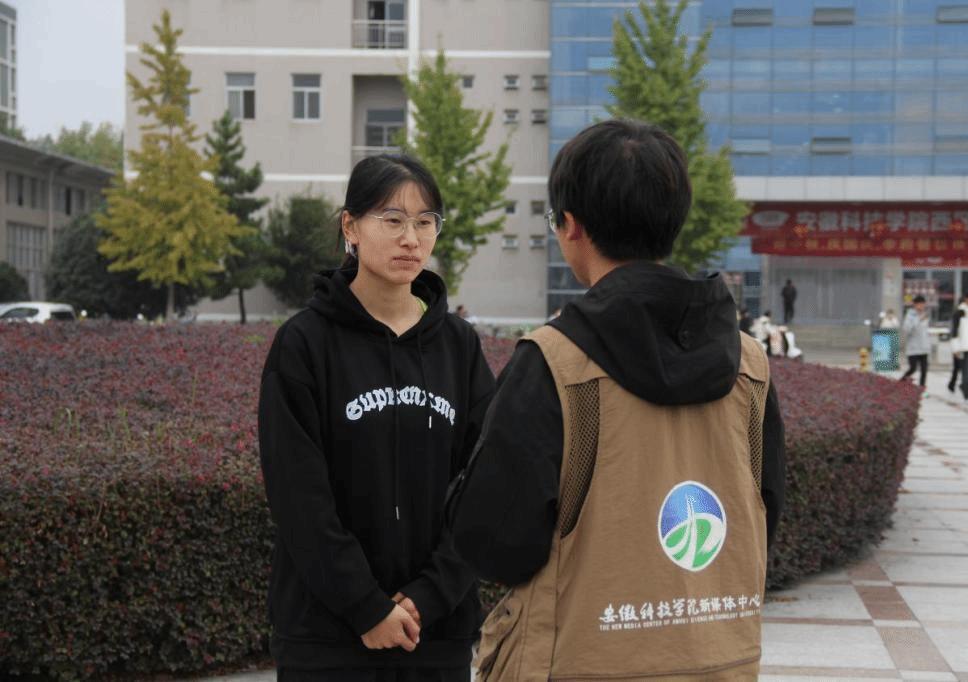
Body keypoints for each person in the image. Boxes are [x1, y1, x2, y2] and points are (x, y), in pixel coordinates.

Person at [448, 119, 786, 681]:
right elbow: (762, 517)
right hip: (718, 663)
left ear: (571, 226)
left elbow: (496, 545)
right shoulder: (750, 366)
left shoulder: (555, 362)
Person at [257, 154, 496, 681]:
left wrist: (430, 595)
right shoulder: (304, 344)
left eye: (425, 221)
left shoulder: (459, 347)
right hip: (327, 638)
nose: (411, 238)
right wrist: (365, 606)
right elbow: (298, 494)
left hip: (434, 635)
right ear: (351, 227)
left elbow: (485, 484)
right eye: (392, 219)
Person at [900, 295, 930, 389]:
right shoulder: (910, 315)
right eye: (918, 304)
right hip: (913, 347)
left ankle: (921, 388)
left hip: (924, 347)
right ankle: (900, 383)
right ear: (914, 305)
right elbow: (907, 329)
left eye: (922, 304)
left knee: (924, 370)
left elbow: (925, 331)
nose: (921, 306)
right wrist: (918, 320)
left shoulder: (925, 315)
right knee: (913, 368)